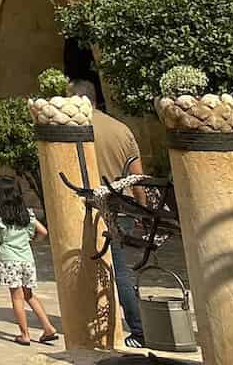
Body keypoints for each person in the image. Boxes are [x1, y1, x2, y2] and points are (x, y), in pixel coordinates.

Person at [70, 80, 145, 348]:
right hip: (121, 206)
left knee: (115, 271)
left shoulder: (76, 128)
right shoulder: (121, 129)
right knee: (118, 265)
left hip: (89, 207)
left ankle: (137, 327)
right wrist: (141, 209)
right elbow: (137, 176)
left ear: (79, 100)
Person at [0, 175, 59, 345]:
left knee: (16, 297)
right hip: (27, 259)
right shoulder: (27, 214)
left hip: (9, 260)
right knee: (29, 294)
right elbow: (43, 232)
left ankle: (24, 334)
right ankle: (48, 327)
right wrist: (33, 241)